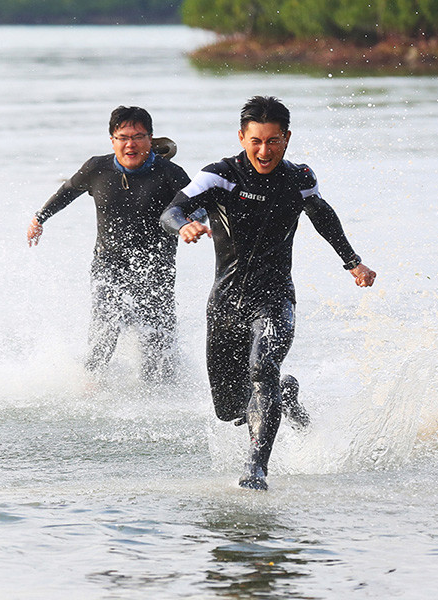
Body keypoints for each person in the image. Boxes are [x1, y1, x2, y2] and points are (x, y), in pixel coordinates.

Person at [161, 95, 376, 490]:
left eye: (274, 141)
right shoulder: (220, 176)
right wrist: (184, 226)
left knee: (263, 368)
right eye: (256, 141)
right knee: (229, 410)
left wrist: (353, 262)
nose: (265, 151)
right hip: (226, 303)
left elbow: (322, 216)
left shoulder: (300, 178)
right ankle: (286, 395)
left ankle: (256, 468)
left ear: (287, 138)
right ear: (242, 137)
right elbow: (171, 211)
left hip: (275, 297)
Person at [27, 106, 191, 382]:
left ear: (150, 139)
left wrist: (193, 222)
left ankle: (162, 394)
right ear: (112, 140)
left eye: (138, 136)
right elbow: (67, 192)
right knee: (104, 328)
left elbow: (198, 204)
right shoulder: (96, 167)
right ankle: (91, 385)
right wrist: (40, 217)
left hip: (157, 268)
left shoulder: (170, 173)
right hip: (108, 264)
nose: (131, 144)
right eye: (123, 137)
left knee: (158, 348)